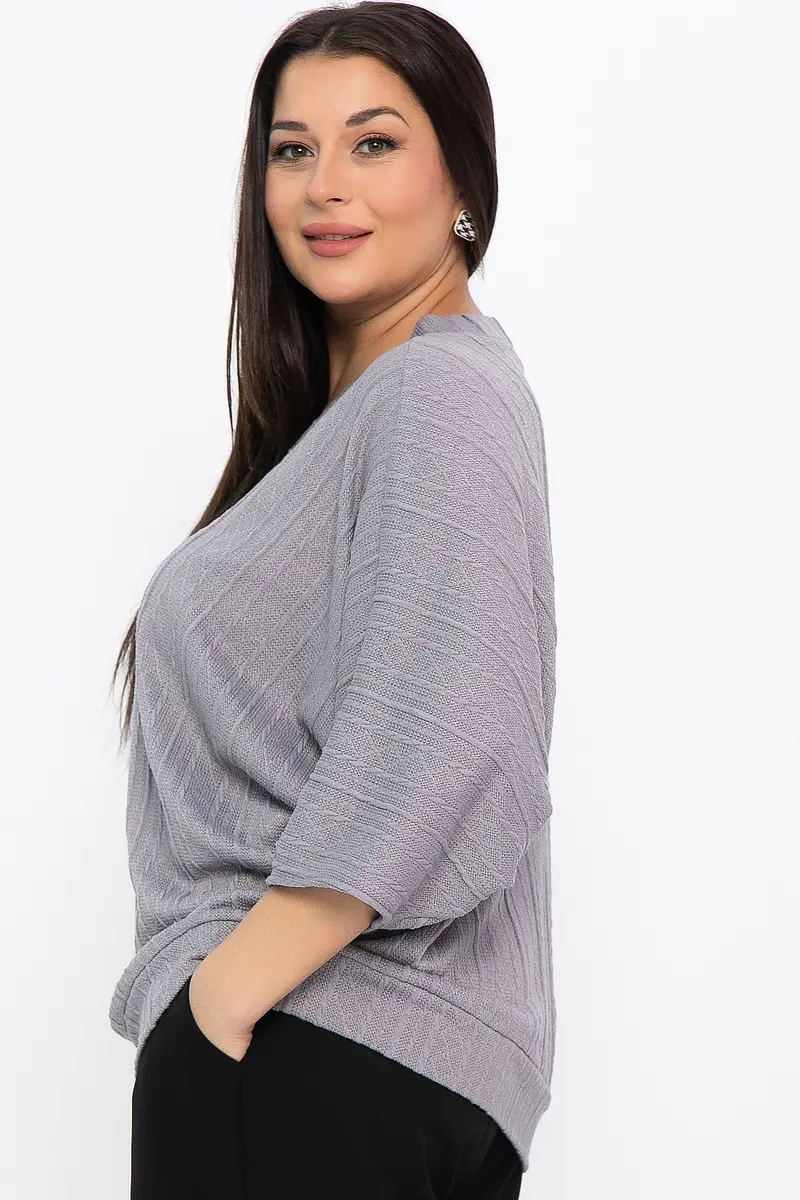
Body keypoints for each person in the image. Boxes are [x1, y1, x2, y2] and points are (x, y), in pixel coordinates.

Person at [109, 4, 557, 1197]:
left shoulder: (435, 391)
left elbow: (444, 726)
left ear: (461, 180)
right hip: (370, 1063)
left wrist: (227, 994)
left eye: (373, 142)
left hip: (311, 1041)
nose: (324, 186)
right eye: (290, 149)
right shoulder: (359, 423)